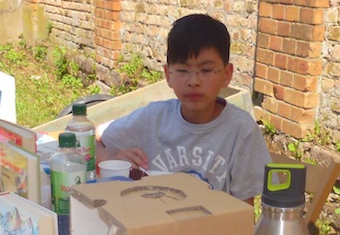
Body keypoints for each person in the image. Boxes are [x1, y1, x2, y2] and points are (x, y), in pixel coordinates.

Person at [96, 13, 270, 203]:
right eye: (183, 70)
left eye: (206, 70)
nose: (193, 81)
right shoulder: (153, 118)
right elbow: (91, 137)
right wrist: (110, 159)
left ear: (226, 74)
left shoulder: (241, 130)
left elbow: (245, 211)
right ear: (168, 75)